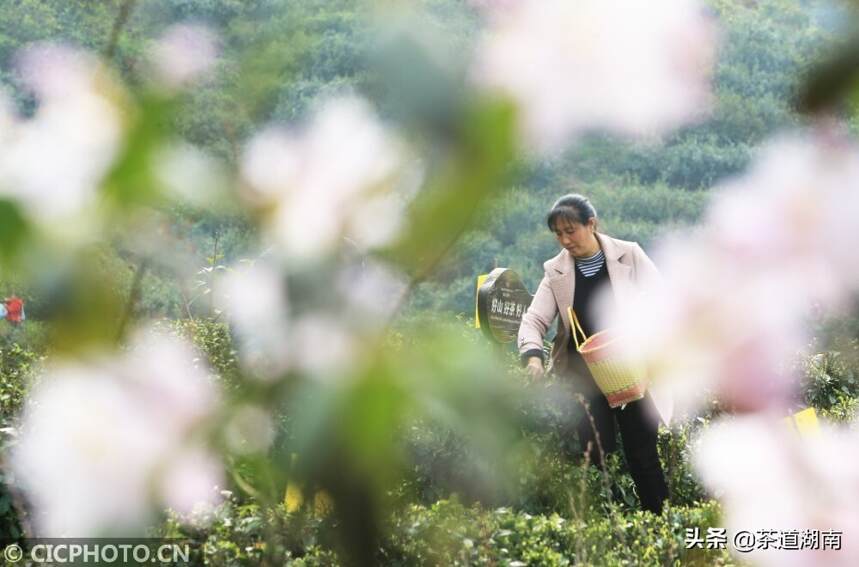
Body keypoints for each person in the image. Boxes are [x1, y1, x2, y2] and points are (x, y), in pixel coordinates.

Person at [517, 193, 669, 514]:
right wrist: (533, 357)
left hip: (632, 375)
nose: (564, 240)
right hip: (584, 380)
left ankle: (660, 525)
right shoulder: (555, 272)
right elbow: (534, 320)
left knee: (643, 455)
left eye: (571, 230)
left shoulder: (629, 255)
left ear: (592, 224)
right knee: (596, 458)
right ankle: (609, 531)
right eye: (558, 234)